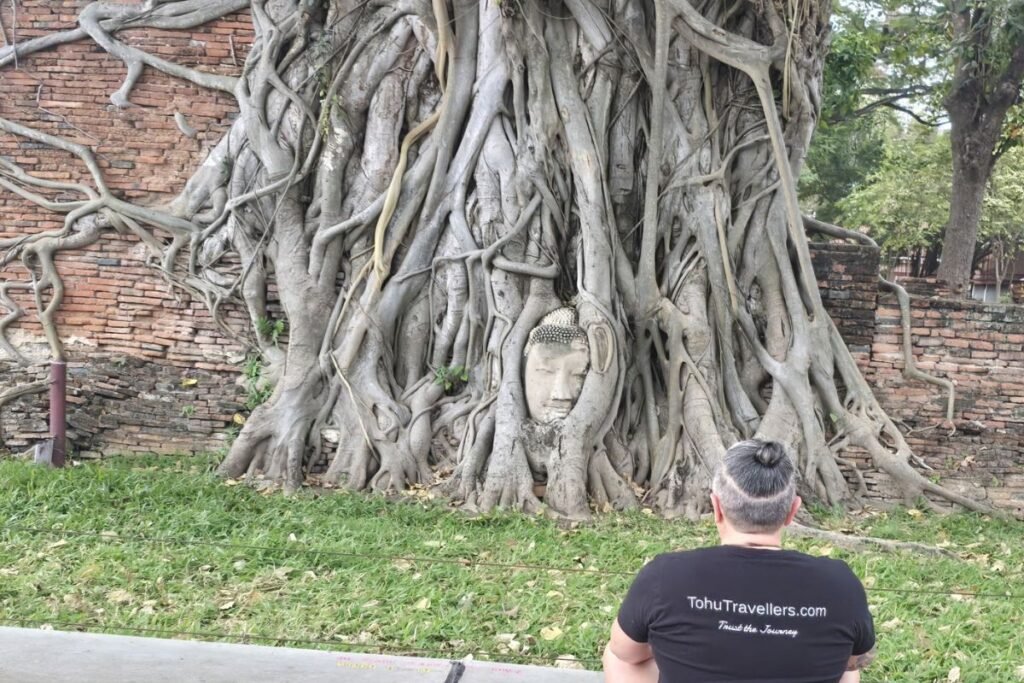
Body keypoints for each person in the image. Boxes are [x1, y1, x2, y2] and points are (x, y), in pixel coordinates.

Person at [603, 440, 876, 682]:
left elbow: (625, 651)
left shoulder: (664, 575)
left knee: (619, 657)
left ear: (716, 507)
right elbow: (856, 658)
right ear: (792, 511)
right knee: (847, 671)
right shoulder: (840, 584)